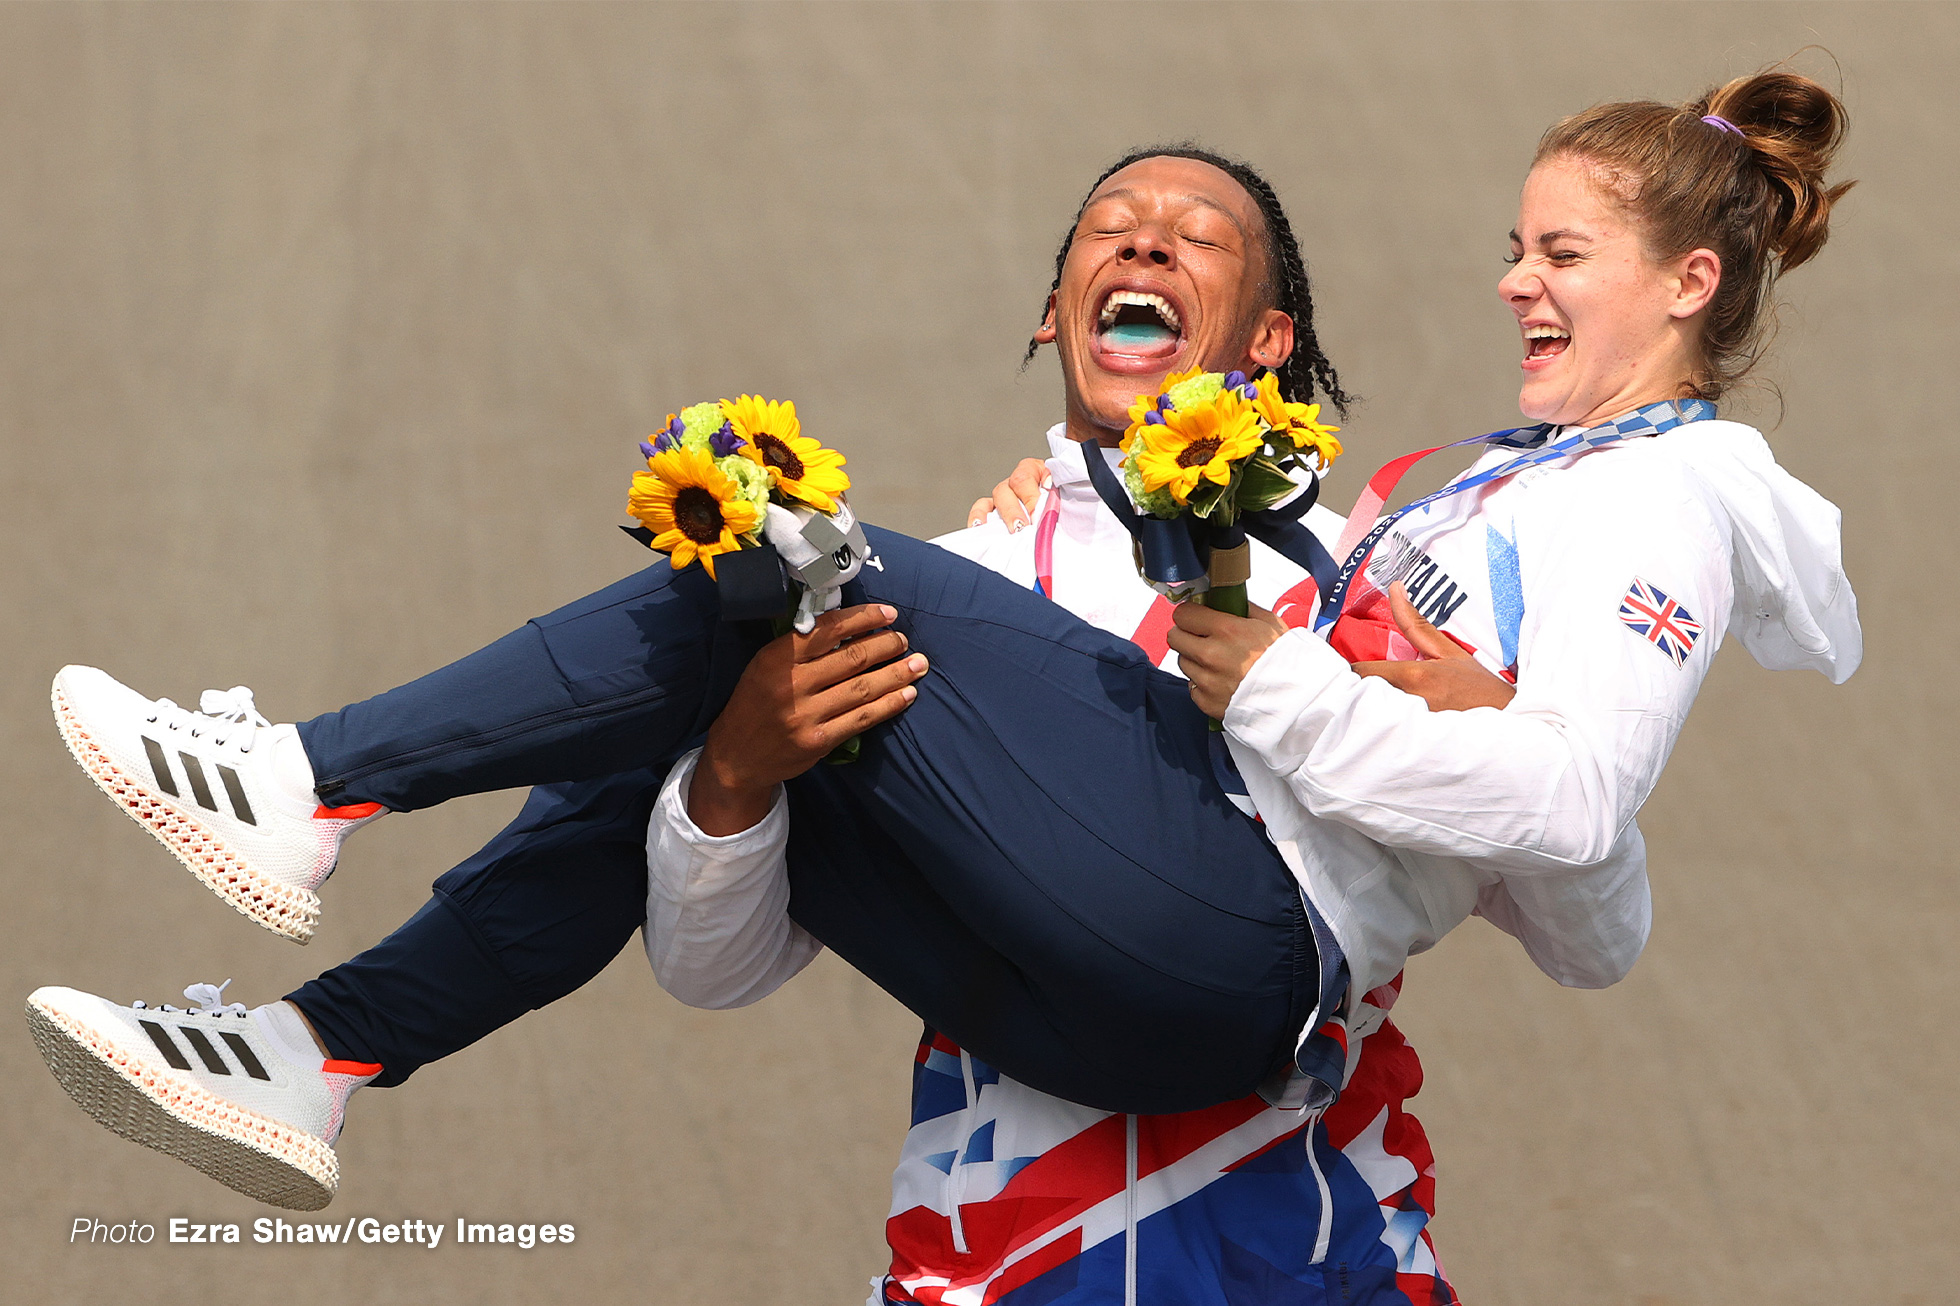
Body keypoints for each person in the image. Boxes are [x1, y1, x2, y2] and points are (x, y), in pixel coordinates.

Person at [32, 60, 1858, 1293]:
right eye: (1108, 227)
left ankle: (307, 791)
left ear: (1270, 335)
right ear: (1057, 308)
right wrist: (736, 786)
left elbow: (1577, 872)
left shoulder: (1363, 535)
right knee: (749, 623)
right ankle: (316, 1046)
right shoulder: (990, 572)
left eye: (1196, 232)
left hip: (1262, 1199)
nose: (1141, 239)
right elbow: (712, 964)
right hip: (1001, 1217)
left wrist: (1308, 686)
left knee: (785, 548)